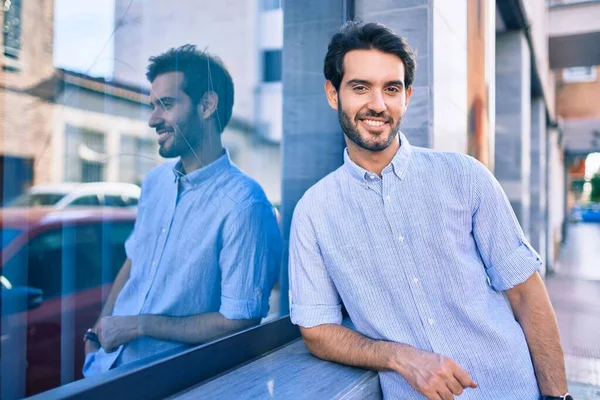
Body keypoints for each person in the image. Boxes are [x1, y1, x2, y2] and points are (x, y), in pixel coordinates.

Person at [288, 21, 570, 400]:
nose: (378, 104)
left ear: (407, 96)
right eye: (360, 87)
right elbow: (317, 329)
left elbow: (526, 293)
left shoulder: (465, 176)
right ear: (333, 93)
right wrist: (400, 358)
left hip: (510, 389)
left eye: (391, 89)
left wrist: (558, 397)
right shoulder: (313, 213)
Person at [83, 45, 282, 376]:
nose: (152, 119)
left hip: (167, 384)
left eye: (167, 104)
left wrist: (140, 325)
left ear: (207, 105)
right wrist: (96, 331)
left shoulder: (246, 205)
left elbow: (238, 320)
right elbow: (134, 262)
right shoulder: (154, 182)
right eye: (152, 106)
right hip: (104, 370)